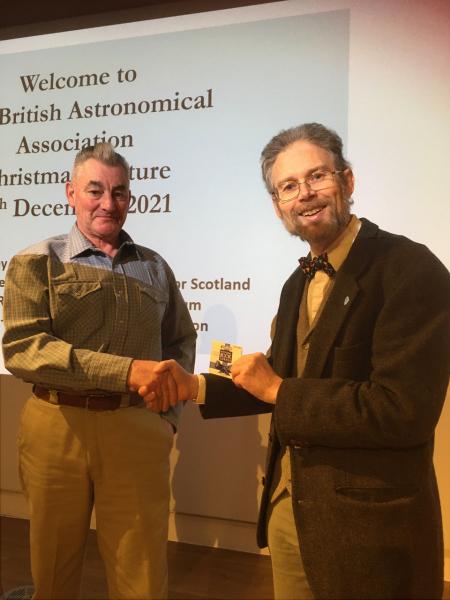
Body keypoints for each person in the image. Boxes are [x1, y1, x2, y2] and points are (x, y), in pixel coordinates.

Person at [144, 123, 450, 599]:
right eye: (288, 186)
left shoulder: (411, 269)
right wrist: (193, 385)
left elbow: (402, 411)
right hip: (290, 512)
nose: (304, 194)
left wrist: (280, 391)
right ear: (276, 204)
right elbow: (275, 375)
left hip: (371, 530)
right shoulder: (297, 282)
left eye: (317, 177)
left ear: (347, 181)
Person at [2, 142, 196, 599]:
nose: (108, 203)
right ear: (70, 193)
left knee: (142, 575)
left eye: (120, 192)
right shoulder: (35, 261)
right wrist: (127, 371)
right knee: (53, 571)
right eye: (95, 191)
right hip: (55, 426)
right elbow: (25, 349)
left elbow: (181, 341)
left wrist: (168, 418)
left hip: (136, 429)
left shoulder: (154, 266)